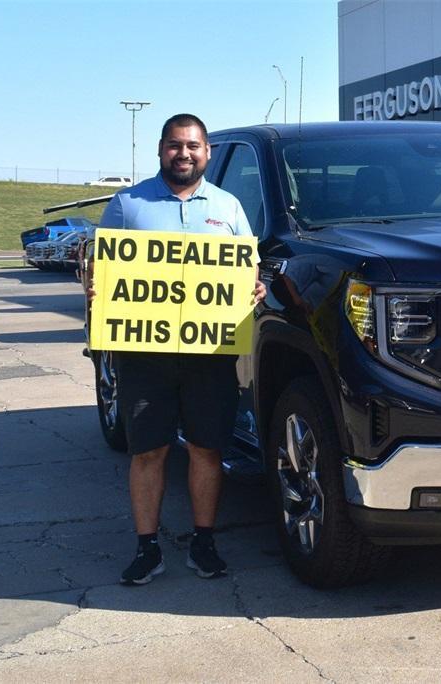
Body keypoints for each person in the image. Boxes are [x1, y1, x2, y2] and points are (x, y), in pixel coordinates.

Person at [87, 113, 266, 586]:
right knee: (148, 451)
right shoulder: (129, 205)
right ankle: (148, 549)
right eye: (174, 145)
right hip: (145, 358)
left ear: (207, 152)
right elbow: (99, 271)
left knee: (208, 449)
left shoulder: (228, 209)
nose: (183, 154)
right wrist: (95, 289)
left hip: (210, 357)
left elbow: (249, 273)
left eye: (192, 146)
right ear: (160, 150)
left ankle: (203, 543)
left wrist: (255, 288)